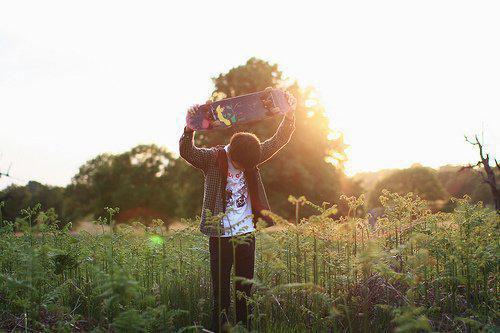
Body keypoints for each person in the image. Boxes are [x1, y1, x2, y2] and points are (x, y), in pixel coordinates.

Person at [179, 90, 296, 332]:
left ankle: (245, 327)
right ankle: (220, 328)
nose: (244, 169)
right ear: (232, 153)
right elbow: (187, 153)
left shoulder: (253, 154)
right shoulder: (213, 158)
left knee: (245, 289)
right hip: (219, 235)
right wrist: (189, 130)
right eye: (240, 166)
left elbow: (278, 140)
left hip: (246, 234)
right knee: (220, 291)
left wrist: (290, 114)